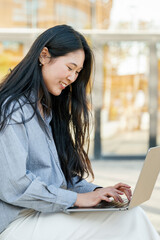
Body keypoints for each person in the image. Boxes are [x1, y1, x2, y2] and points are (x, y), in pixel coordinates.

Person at [0, 25, 159, 240]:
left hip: (44, 215)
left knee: (128, 214)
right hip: (16, 223)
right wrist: (77, 199)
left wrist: (99, 192)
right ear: (44, 56)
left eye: (77, 72)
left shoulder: (47, 112)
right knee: (126, 221)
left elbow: (60, 179)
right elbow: (14, 186)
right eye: (70, 67)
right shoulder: (12, 109)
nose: (73, 78)